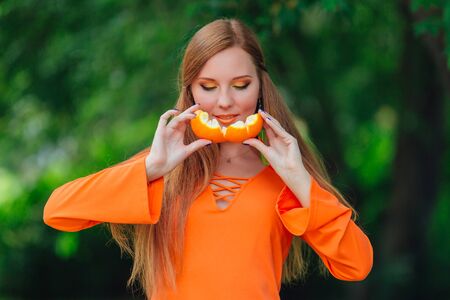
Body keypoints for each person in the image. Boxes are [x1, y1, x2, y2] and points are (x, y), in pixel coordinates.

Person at [43, 18, 373, 300]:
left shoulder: (286, 178)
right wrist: (151, 168)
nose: (225, 101)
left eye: (241, 85)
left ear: (260, 87)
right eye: (209, 86)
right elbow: (58, 211)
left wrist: (301, 181)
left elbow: (356, 265)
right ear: (191, 91)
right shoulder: (164, 168)